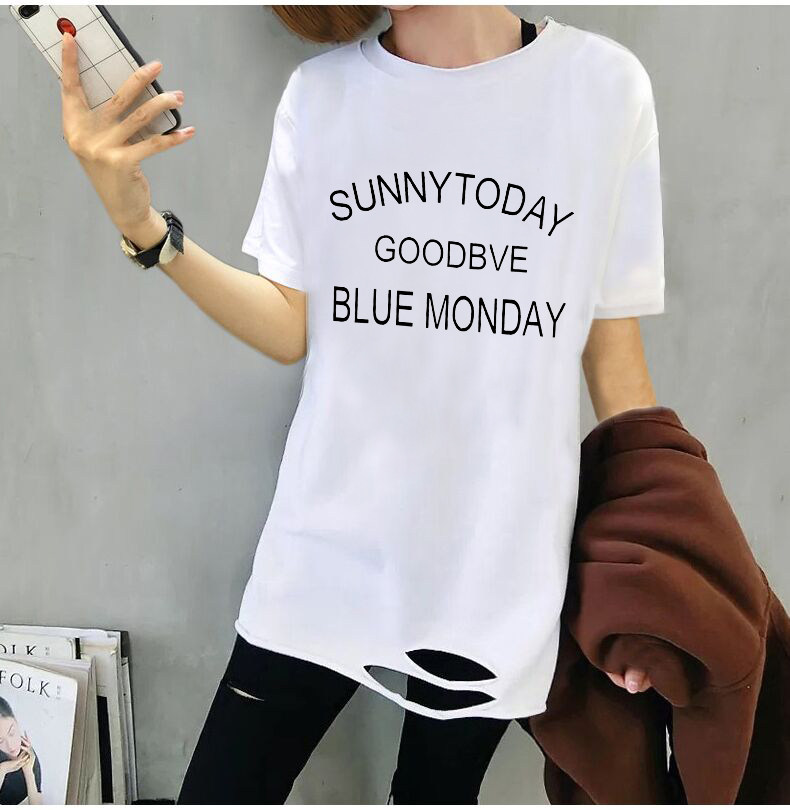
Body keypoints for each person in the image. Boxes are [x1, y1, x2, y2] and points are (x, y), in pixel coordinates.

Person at [58, 5, 664, 803]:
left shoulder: (603, 89)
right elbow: (291, 327)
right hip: (324, 554)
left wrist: (647, 587)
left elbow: (617, 373)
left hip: (496, 571)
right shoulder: (323, 97)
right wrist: (141, 225)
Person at [0, 698, 43, 805]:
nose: (10, 745)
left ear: (17, 723)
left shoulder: (27, 752)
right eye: (0, 741)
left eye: (12, 733)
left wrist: (28, 771)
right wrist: (3, 769)